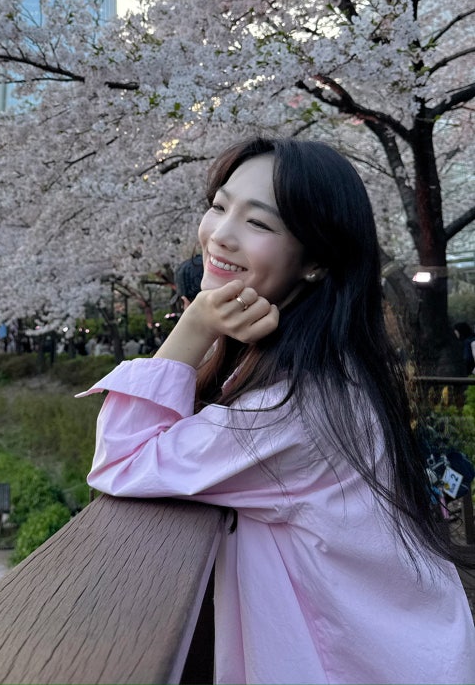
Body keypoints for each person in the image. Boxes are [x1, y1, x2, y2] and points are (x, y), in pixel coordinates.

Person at [78, 137, 475, 685]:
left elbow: (120, 461)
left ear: (315, 262)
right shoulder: (322, 366)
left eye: (257, 223)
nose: (220, 234)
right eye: (219, 206)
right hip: (403, 651)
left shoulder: (294, 408)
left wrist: (194, 324)